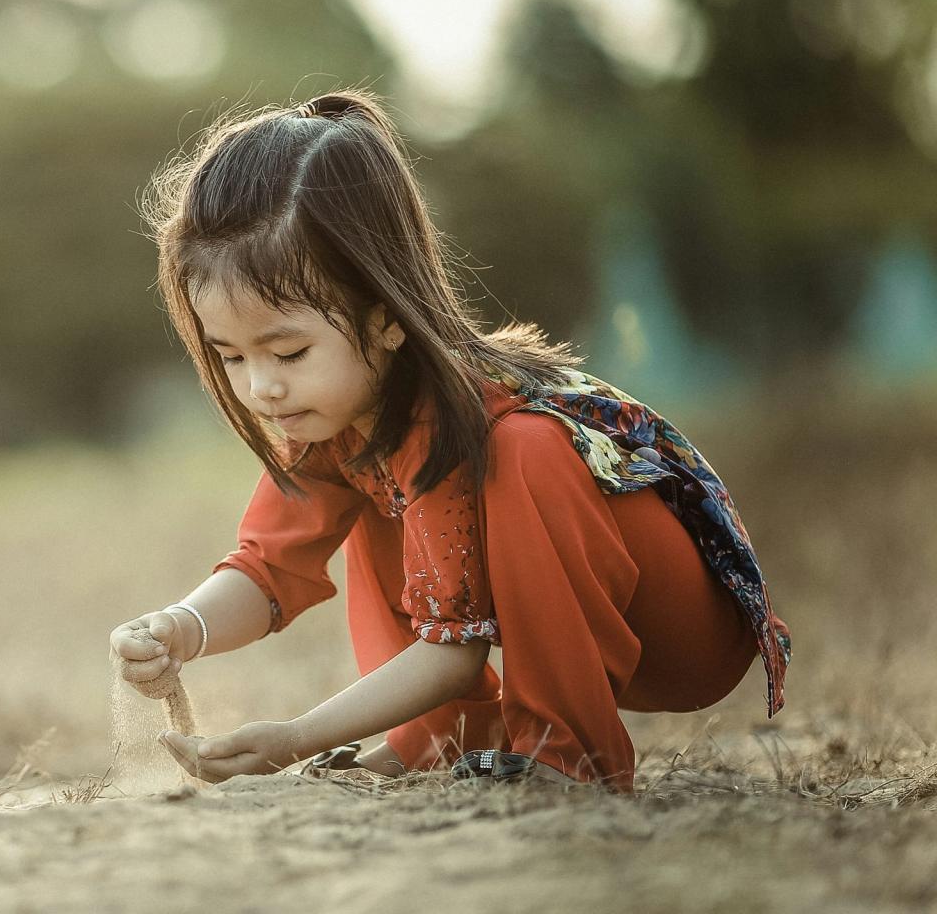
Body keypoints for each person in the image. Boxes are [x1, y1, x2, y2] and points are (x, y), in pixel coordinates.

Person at [108, 88, 790, 791]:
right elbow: (266, 569)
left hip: (678, 632)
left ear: (386, 317)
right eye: (230, 356)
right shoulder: (330, 421)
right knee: (381, 495)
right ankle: (449, 740)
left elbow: (451, 654)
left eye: (288, 353)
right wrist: (180, 628)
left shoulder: (465, 416)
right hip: (576, 632)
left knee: (524, 449)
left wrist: (296, 738)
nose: (261, 388)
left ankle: (569, 757)